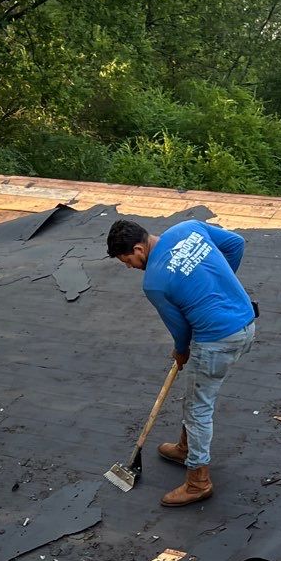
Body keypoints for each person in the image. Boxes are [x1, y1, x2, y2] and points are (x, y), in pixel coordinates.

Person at [106, 216, 256, 506]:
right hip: (246, 323)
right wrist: (219, 286)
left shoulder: (155, 282)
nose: (129, 267)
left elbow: (180, 329)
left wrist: (181, 350)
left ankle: (198, 481)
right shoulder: (189, 228)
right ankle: (186, 447)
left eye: (127, 260)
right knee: (196, 396)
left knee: (198, 408)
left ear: (139, 249)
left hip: (217, 339)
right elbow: (236, 243)